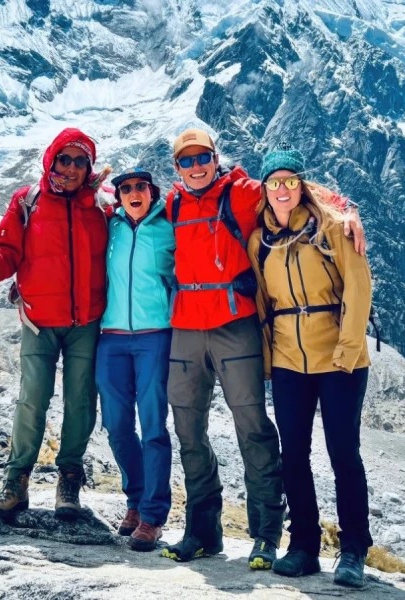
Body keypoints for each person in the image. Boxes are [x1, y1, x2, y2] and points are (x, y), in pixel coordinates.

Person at [160, 129, 366, 570]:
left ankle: (273, 536)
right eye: (186, 161)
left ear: (216, 159)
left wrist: (348, 210)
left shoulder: (243, 193)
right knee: (191, 431)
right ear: (176, 167)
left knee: (263, 430)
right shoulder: (173, 204)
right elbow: (121, 211)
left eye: (203, 158)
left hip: (248, 329)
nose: (196, 167)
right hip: (200, 330)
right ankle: (206, 531)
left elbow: (295, 186)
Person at [0, 128, 108, 520]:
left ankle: (70, 480)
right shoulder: (29, 201)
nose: (72, 168)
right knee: (32, 399)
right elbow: (5, 252)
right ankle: (16, 481)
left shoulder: (100, 206)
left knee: (80, 402)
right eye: (65, 158)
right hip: (39, 321)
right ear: (52, 159)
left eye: (81, 161)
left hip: (86, 321)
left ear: (89, 167)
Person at [247, 146, 373, 587]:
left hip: (339, 359)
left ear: (302, 185)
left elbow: (359, 288)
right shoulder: (258, 241)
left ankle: (354, 548)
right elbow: (263, 302)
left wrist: (348, 349)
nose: (282, 189)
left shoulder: (334, 228)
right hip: (287, 361)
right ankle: (304, 545)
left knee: (343, 455)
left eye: (290, 181)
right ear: (264, 190)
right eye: (274, 183)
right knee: (294, 456)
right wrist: (267, 359)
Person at [94, 168, 175, 552]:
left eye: (140, 187)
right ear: (119, 196)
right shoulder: (110, 227)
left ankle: (154, 516)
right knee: (116, 424)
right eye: (125, 189)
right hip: (111, 338)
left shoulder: (169, 224)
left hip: (154, 336)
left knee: (155, 425)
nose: (133, 193)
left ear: (151, 191)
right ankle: (134, 501)